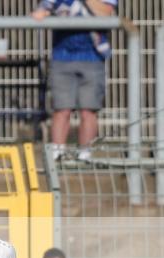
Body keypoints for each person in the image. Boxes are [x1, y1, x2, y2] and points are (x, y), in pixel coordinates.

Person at [31, 0, 118, 161]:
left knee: (88, 110)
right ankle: (57, 153)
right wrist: (43, 11)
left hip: (93, 56)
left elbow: (106, 11)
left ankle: (85, 153)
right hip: (62, 56)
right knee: (62, 109)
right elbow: (43, 9)